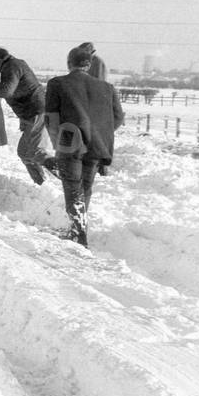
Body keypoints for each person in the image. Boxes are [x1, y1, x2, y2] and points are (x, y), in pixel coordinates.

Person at [45, 46, 124, 247]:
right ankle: (78, 228)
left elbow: (51, 118)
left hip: (70, 143)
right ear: (88, 65)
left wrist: (58, 142)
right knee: (85, 187)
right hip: (97, 145)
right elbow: (118, 118)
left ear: (69, 63)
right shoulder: (107, 88)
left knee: (72, 186)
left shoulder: (58, 83)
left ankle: (78, 233)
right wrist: (98, 131)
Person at [0, 47, 59, 185]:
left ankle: (60, 167)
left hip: (36, 111)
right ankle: (41, 183)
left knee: (31, 150)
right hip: (32, 112)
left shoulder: (11, 66)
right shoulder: (15, 65)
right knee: (24, 151)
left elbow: (7, 90)